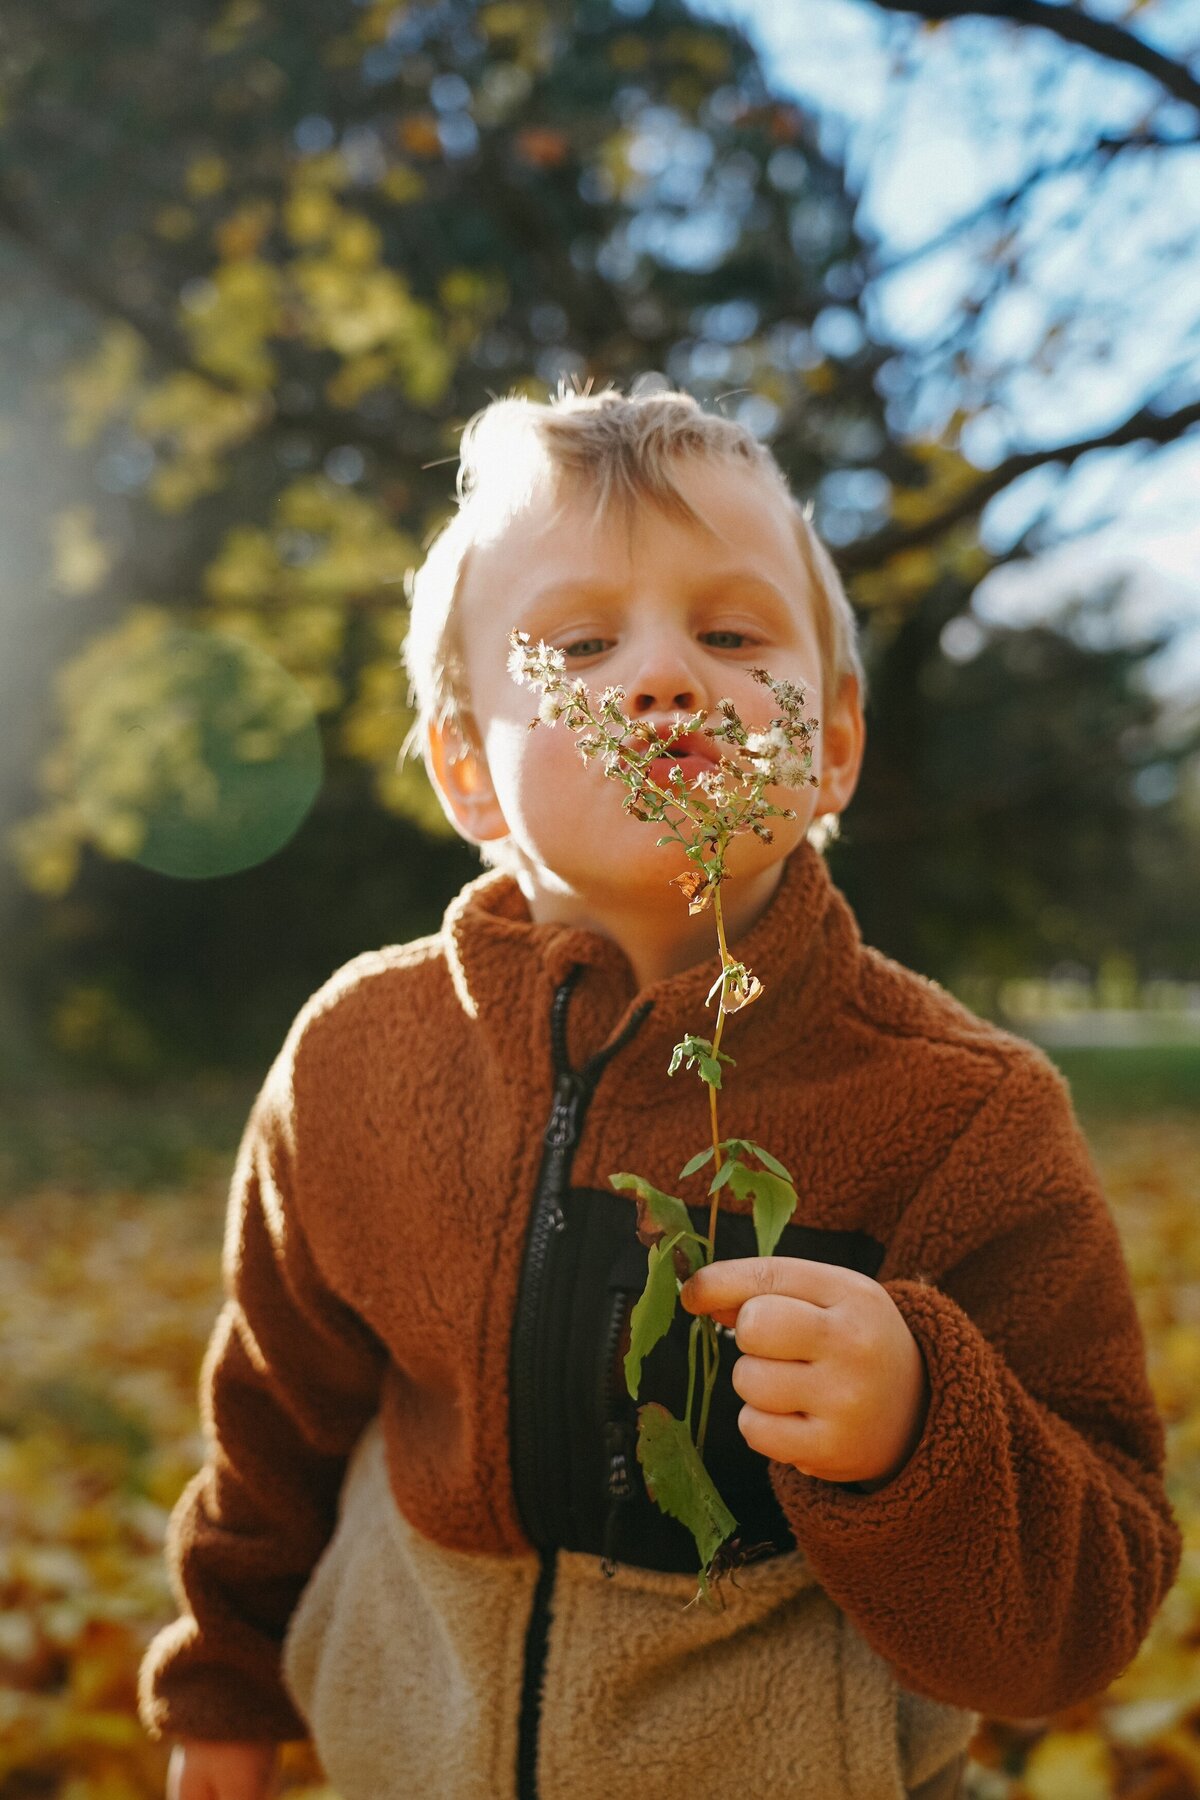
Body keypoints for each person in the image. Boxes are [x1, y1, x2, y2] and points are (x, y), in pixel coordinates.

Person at [140, 381, 1182, 1800]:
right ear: (467, 766)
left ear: (832, 744)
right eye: (581, 644)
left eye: (733, 635)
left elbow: (1089, 1612)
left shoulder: (964, 1117)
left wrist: (918, 1430)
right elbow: (274, 1415)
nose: (665, 678)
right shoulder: (357, 1058)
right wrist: (223, 1683)